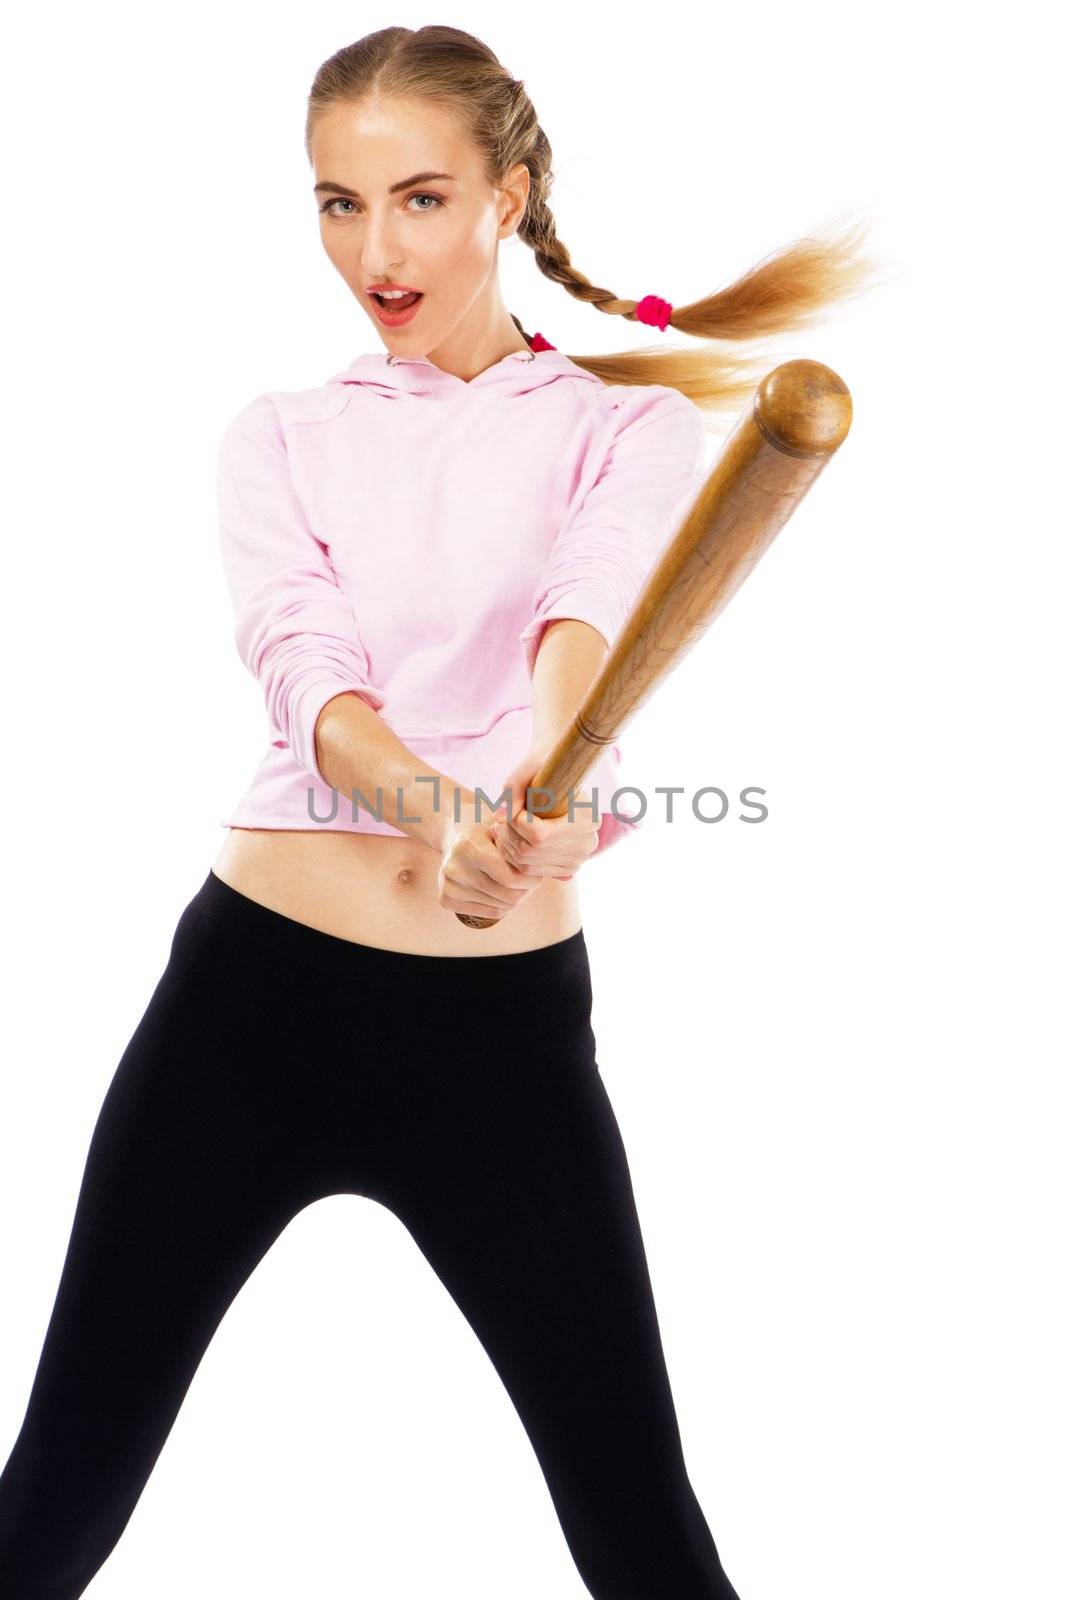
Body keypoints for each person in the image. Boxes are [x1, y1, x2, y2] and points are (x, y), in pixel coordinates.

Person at [0, 24, 874, 1598]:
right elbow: (308, 680)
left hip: (502, 1048)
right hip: (249, 1008)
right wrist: (441, 808)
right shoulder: (282, 436)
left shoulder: (624, 428)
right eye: (338, 204)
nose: (374, 249)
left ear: (508, 196)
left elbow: (583, 625)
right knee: (51, 1506)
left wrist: (557, 796)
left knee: (646, 1534)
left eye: (416, 197)